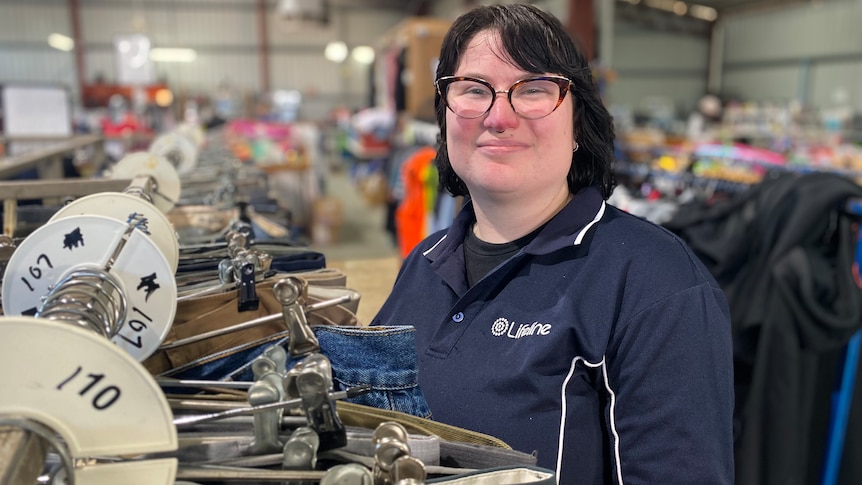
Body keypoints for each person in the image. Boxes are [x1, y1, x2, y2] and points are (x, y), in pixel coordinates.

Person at [371, 4, 734, 484]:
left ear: (579, 122)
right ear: (445, 118)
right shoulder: (424, 260)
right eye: (474, 90)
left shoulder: (657, 285)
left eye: (535, 90)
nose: (499, 116)